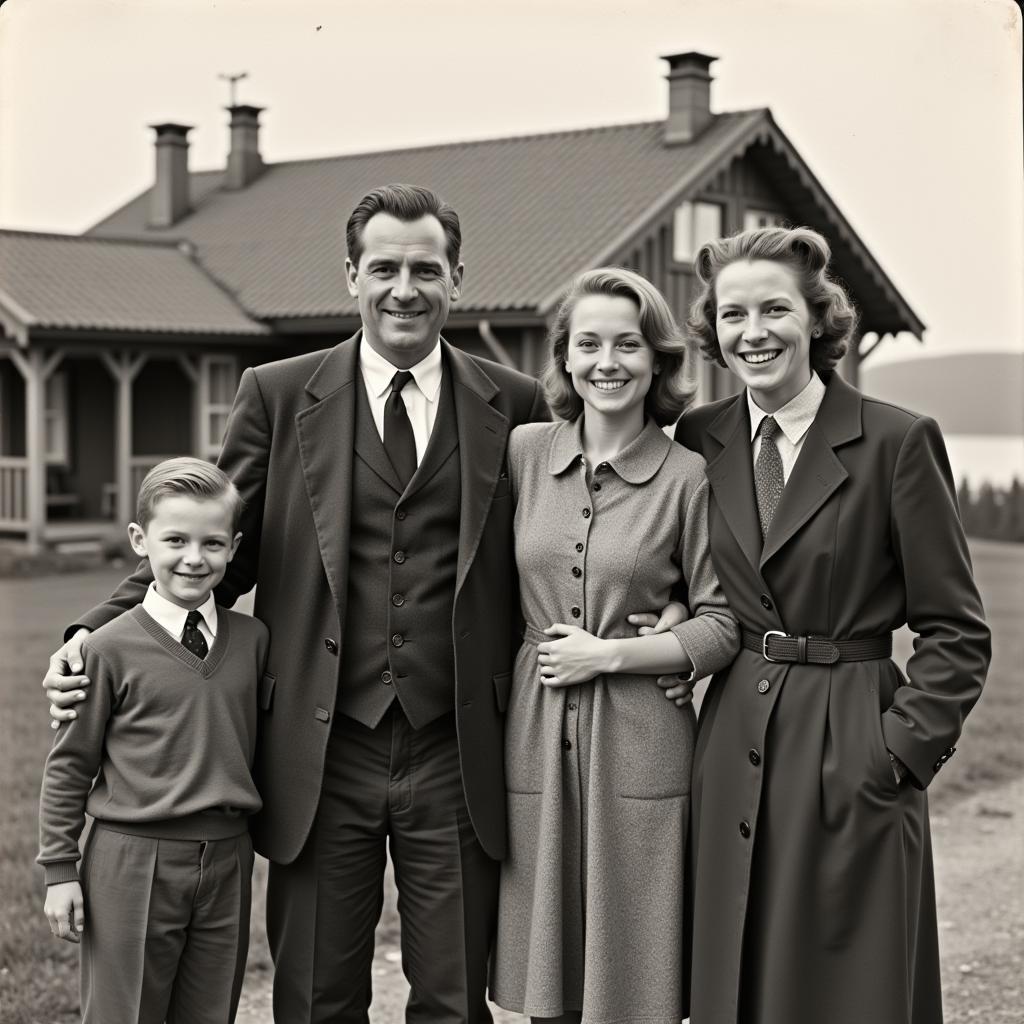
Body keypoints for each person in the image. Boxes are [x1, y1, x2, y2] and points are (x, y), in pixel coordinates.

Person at [41, 185, 678, 1023]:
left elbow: (595, 505)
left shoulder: (516, 404)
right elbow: (212, 549)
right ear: (351, 275)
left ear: (458, 277)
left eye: (425, 268)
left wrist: (663, 610)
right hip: (319, 743)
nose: (404, 288)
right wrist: (91, 631)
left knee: (454, 996)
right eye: (384, 267)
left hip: (458, 742)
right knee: (313, 992)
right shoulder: (277, 392)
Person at [673, 225, 991, 1024]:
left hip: (852, 731)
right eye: (734, 314)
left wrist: (897, 753)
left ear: (816, 319)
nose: (755, 333)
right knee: (733, 973)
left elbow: (957, 631)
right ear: (714, 329)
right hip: (733, 733)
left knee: (854, 986)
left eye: (775, 309)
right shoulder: (698, 438)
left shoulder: (895, 441)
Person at [489, 267, 739, 1024]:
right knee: (549, 974)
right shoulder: (523, 453)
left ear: (658, 358)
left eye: (628, 344)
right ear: (564, 357)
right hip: (533, 739)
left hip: (642, 741)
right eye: (589, 343)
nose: (608, 362)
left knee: (635, 981)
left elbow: (722, 622)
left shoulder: (689, 476)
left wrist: (615, 655)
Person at [38, 457, 266, 1023]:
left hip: (228, 857)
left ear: (235, 548)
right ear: (140, 541)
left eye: (213, 543)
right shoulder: (104, 650)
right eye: (175, 540)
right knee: (126, 1013)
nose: (194, 557)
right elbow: (69, 767)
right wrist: (60, 872)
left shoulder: (256, 640)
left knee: (212, 1011)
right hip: (131, 858)